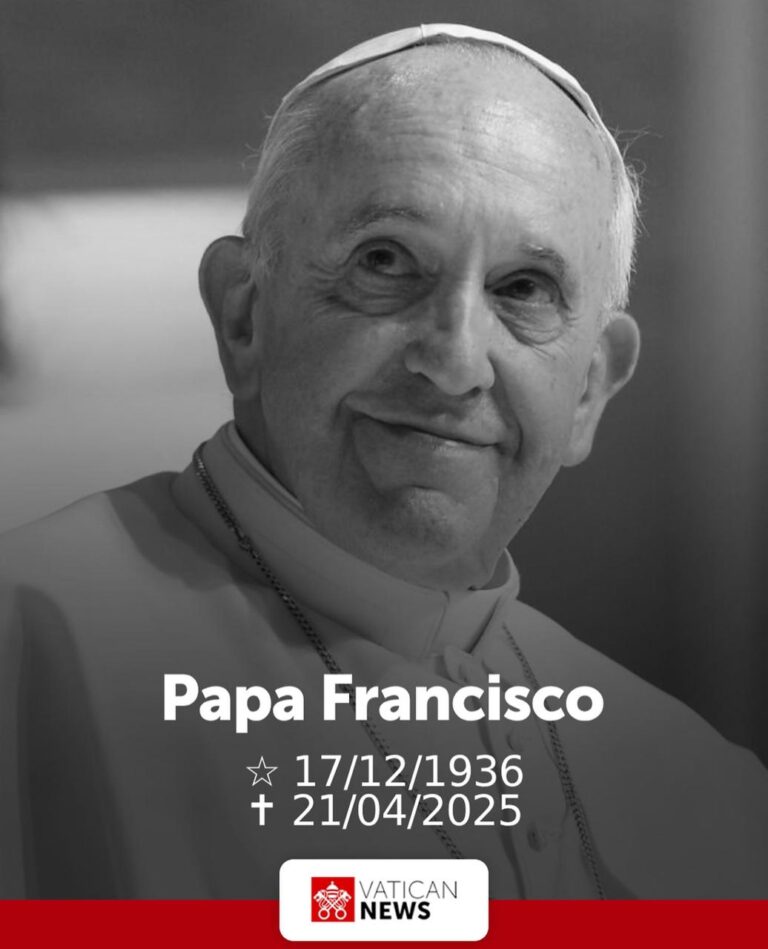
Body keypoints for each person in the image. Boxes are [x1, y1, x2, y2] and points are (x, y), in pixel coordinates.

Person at [0, 24, 766, 900]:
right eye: (387, 262)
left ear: (589, 388)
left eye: (523, 289)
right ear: (243, 317)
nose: (455, 361)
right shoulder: (29, 650)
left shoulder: (705, 792)